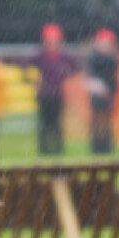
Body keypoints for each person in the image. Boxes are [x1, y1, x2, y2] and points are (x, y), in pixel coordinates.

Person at [29, 23, 79, 155]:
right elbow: (26, 69)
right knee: (44, 124)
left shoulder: (64, 57)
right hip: (44, 95)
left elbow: (75, 70)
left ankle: (58, 149)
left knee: (57, 124)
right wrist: (34, 81)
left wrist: (67, 80)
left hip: (58, 94)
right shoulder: (39, 56)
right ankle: (44, 150)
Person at [86, 28, 118, 154]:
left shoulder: (112, 60)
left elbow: (113, 77)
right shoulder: (93, 59)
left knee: (106, 120)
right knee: (98, 120)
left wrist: (110, 88)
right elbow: (91, 75)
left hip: (108, 94)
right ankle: (97, 147)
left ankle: (106, 146)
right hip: (97, 95)